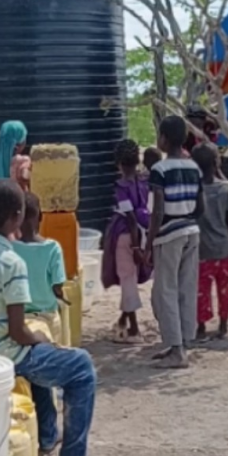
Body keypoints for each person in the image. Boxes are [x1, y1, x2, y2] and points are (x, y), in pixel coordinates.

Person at [0, 179, 108, 456]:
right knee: (80, 366)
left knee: (40, 357)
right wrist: (41, 339)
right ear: (17, 216)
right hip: (2, 355)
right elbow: (18, 332)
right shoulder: (12, 262)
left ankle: (48, 435)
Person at [146, 116, 203, 369]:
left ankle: (176, 351)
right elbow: (201, 205)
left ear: (164, 139)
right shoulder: (194, 168)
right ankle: (182, 342)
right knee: (186, 288)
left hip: (169, 234)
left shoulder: (159, 170)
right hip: (192, 230)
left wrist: (148, 243)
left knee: (165, 290)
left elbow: (157, 211)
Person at [101, 139, 152, 343]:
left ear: (118, 163)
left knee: (127, 280)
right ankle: (123, 320)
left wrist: (134, 245)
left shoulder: (121, 186)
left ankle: (134, 330)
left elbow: (129, 216)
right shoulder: (144, 181)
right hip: (144, 233)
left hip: (126, 236)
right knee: (130, 278)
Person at [192, 143, 228, 341]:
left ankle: (201, 327)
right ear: (216, 162)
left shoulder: (194, 190)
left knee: (201, 291)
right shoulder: (225, 189)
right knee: (224, 289)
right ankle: (223, 325)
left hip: (203, 251)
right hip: (225, 249)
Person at [13, 192, 68, 344]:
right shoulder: (53, 248)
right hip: (47, 316)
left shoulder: (10, 249)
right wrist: (60, 293)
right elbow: (58, 285)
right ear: (41, 216)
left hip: (18, 317)